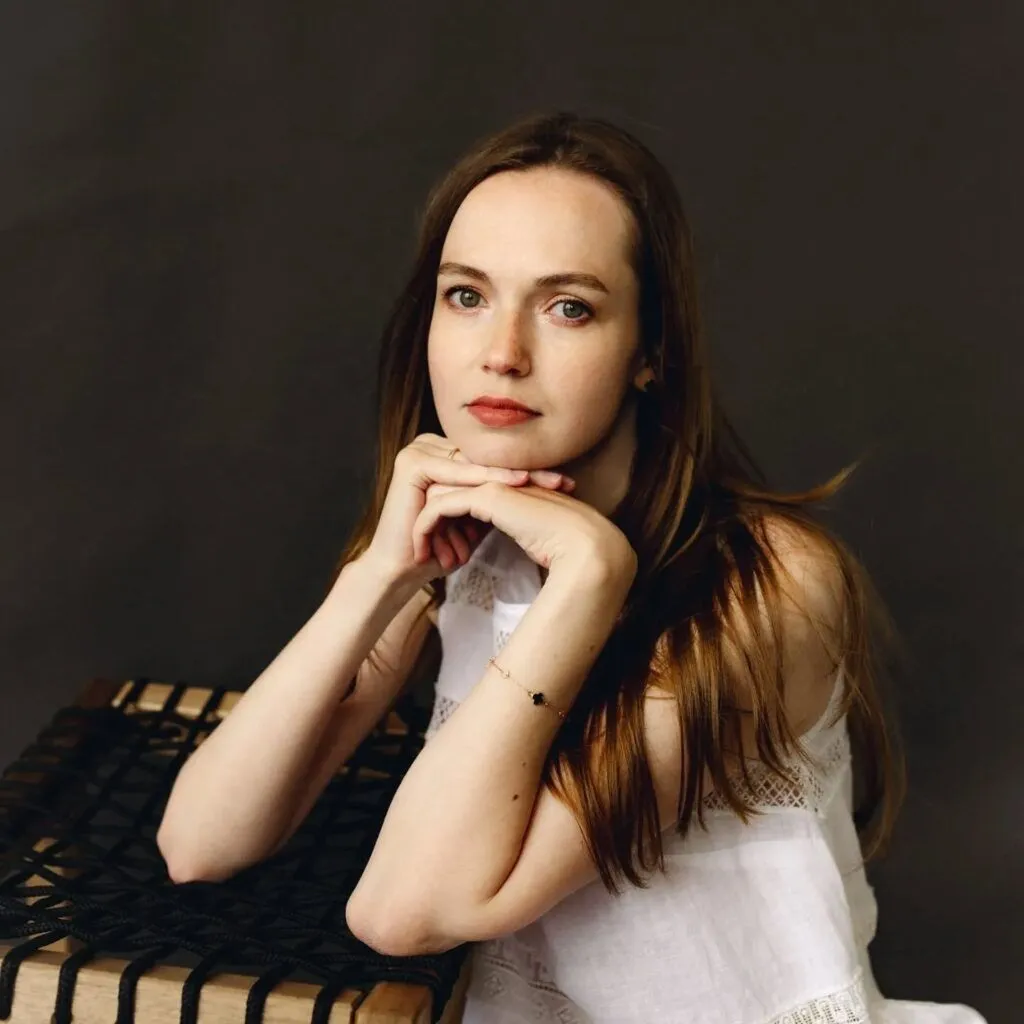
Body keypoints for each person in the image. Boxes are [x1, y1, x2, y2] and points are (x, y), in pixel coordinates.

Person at [156, 112, 988, 1023]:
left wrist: (589, 582)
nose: (501, 354)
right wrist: (377, 576)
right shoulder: (458, 541)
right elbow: (200, 842)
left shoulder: (769, 587)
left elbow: (402, 910)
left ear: (650, 351)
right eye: (466, 296)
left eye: (569, 308)